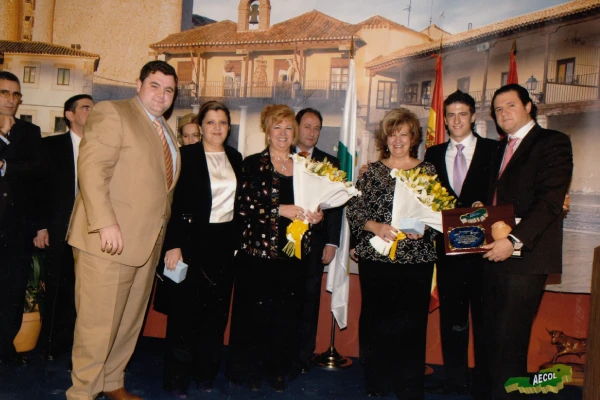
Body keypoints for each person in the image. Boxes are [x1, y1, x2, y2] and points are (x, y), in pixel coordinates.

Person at [66, 61, 180, 400]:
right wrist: (105, 223)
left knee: (128, 323)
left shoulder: (165, 131)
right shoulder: (112, 113)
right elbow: (91, 169)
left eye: (169, 89)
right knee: (96, 328)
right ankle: (81, 394)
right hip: (107, 241)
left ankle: (112, 383)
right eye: (155, 85)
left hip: (145, 245)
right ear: (138, 84)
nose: (162, 94)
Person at [479, 84, 572, 400]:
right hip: (493, 255)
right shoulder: (498, 149)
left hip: (526, 258)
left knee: (510, 340)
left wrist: (514, 241)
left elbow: (549, 202)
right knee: (491, 338)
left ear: (529, 106)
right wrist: (481, 211)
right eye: (498, 109)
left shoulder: (553, 142)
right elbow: (499, 200)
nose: (503, 113)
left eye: (510, 106)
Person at [226, 104, 323, 393]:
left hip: (293, 253)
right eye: (276, 127)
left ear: (295, 133)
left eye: (288, 128)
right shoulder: (252, 163)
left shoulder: (306, 167)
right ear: (267, 131)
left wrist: (316, 215)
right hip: (258, 253)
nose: (283, 133)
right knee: (256, 315)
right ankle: (252, 370)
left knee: (287, 315)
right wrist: (279, 209)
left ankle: (278, 370)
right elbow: (242, 206)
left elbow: (315, 204)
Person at [346, 108, 436, 399]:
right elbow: (355, 210)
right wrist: (376, 226)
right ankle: (377, 382)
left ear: (414, 138)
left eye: (404, 133)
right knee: (376, 320)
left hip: (416, 260)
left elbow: (439, 214)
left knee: (411, 324)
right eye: (392, 133)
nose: (398, 139)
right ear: (385, 137)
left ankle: (409, 385)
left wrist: (424, 228)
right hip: (378, 259)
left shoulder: (428, 171)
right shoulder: (371, 172)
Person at [159, 101, 242, 398]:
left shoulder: (236, 157)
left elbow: (238, 207)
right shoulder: (186, 156)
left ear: (229, 128)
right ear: (201, 126)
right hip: (190, 243)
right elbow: (173, 204)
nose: (217, 127)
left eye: (222, 122)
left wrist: (235, 244)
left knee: (215, 316)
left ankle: (205, 373)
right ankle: (177, 380)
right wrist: (174, 245)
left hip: (223, 246)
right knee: (184, 315)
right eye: (210, 122)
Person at [423, 90, 498, 396]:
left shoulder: (495, 150)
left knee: (484, 320)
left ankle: (483, 382)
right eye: (450, 115)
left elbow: (505, 196)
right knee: (452, 320)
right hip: (448, 252)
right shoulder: (433, 154)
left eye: (462, 114)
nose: (456, 120)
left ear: (474, 116)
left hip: (485, 252)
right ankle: (455, 381)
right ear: (444, 119)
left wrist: (488, 206)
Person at [33, 94, 94, 363]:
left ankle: (80, 349)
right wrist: (41, 227)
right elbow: (38, 191)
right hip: (60, 229)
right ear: (69, 115)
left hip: (93, 232)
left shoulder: (102, 147)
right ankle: (52, 346)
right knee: (59, 288)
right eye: (85, 108)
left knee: (88, 292)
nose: (91, 112)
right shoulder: (51, 146)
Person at [293, 108, 342, 373]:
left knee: (309, 301)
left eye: (316, 128)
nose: (311, 133)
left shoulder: (329, 163)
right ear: (296, 126)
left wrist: (332, 242)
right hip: (284, 243)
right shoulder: (284, 157)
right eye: (307, 126)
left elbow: (335, 207)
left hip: (315, 246)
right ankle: (281, 353)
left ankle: (302, 357)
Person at [0, 71, 42, 366]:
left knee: (13, 291)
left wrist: (5, 159)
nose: (11, 100)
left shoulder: (30, 132)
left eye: (16, 95)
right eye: (4, 93)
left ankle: (4, 349)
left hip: (16, 228)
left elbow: (36, 174)